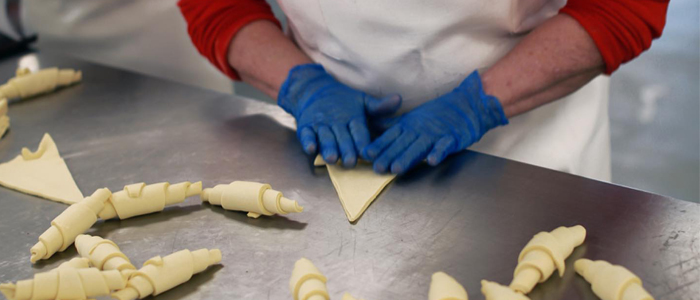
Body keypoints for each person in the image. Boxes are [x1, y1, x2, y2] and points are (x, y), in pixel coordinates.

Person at [179, 0, 669, 180]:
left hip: (535, 147)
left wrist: (479, 104)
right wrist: (301, 85)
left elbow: (625, 6)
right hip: (334, 148)